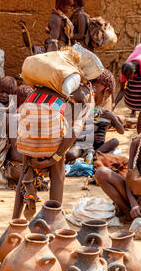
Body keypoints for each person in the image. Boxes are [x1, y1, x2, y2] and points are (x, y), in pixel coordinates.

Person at [14, 81, 93, 220]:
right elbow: (74, 130)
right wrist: (56, 156)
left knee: (26, 170)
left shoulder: (39, 86)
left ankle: (14, 222)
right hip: (50, 117)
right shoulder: (80, 92)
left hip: (28, 112)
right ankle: (53, 221)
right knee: (57, 176)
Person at [66, 70, 124, 163]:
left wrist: (113, 118)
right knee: (70, 154)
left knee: (115, 141)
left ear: (106, 92)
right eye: (92, 86)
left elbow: (121, 131)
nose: (93, 90)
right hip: (82, 145)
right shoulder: (82, 106)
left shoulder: (106, 113)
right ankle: (93, 155)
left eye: (95, 87)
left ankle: (93, 154)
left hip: (99, 147)